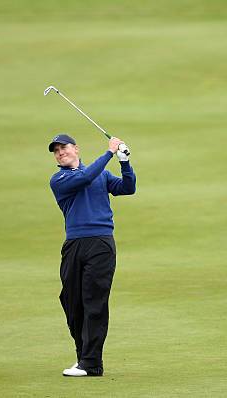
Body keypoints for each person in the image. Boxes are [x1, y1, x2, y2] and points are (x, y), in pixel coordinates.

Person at [48, 133, 136, 376]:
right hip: (74, 244)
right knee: (71, 301)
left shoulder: (102, 175)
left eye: (64, 147)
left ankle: (92, 363)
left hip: (100, 244)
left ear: (76, 149)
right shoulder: (59, 179)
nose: (60, 152)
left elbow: (128, 188)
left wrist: (125, 162)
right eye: (56, 151)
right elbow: (85, 178)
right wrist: (109, 152)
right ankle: (83, 357)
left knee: (94, 302)